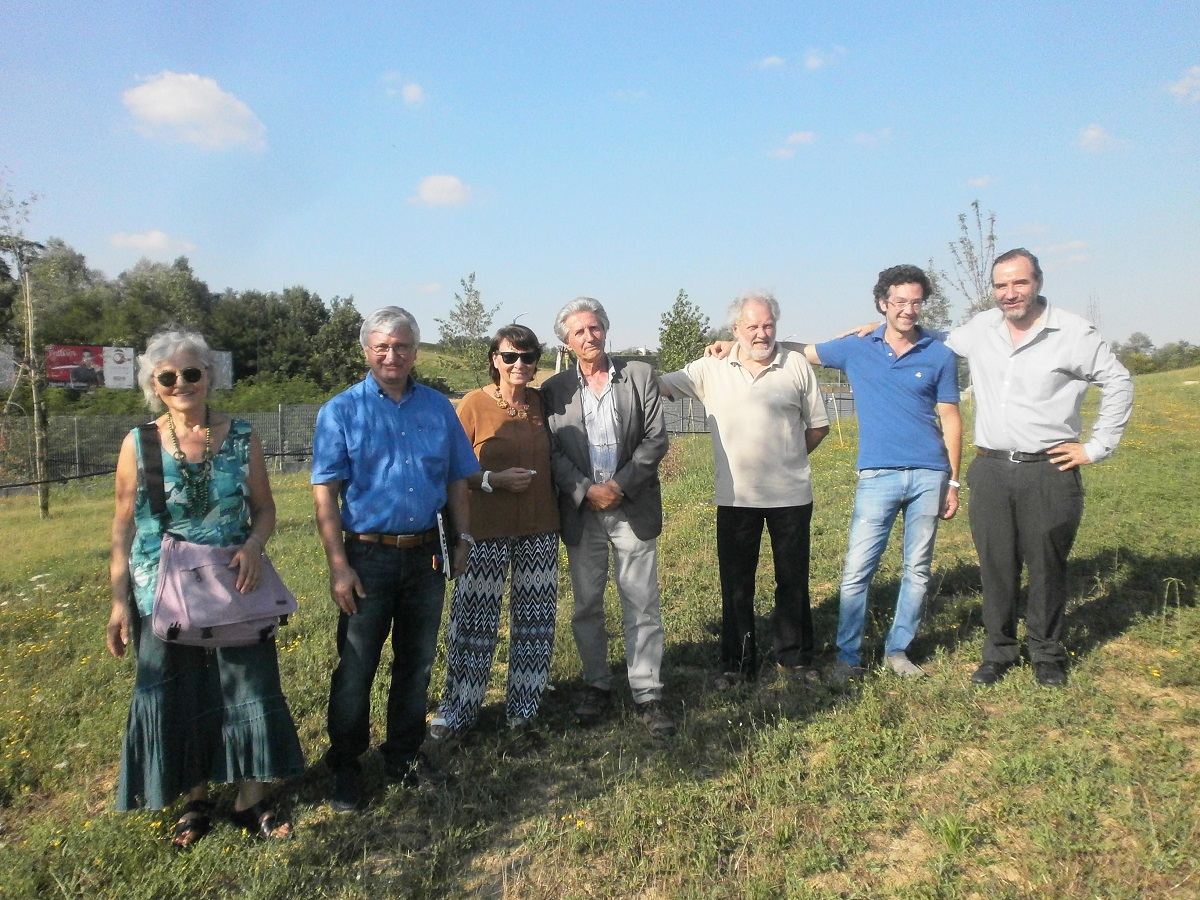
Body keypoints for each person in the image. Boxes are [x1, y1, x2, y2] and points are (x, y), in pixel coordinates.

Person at [107, 326, 303, 848]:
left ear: (208, 377)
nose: (181, 384)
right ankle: (194, 800)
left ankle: (251, 797)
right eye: (167, 377)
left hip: (234, 583)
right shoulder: (139, 443)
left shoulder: (242, 436)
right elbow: (123, 525)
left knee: (248, 686)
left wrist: (255, 546)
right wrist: (118, 601)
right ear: (154, 384)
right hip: (161, 590)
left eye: (191, 373)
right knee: (181, 690)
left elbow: (264, 508)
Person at [311, 307, 478, 811]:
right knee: (357, 664)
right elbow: (326, 493)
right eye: (382, 346)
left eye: (402, 346)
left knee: (417, 662)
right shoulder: (341, 411)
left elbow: (455, 477)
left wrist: (464, 537)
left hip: (426, 553)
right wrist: (339, 564)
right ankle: (345, 765)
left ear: (414, 351)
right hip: (367, 556)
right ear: (366, 351)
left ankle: (404, 754)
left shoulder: (437, 408)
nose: (392, 355)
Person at [948, 248, 1133, 687]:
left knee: (1046, 564)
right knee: (996, 564)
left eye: (1019, 283)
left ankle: (1046, 654)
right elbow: (930, 339)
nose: (1010, 293)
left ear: (1039, 282)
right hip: (990, 468)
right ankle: (998, 652)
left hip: (1048, 470)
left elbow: (1118, 381)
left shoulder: (1072, 332)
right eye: (1001, 285)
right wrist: (880, 329)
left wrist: (1097, 446)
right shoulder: (981, 329)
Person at [661, 292, 829, 687]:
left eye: (768, 325)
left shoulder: (797, 366)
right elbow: (658, 387)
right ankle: (736, 664)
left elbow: (818, 426)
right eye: (752, 326)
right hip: (736, 498)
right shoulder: (709, 369)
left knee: (793, 579)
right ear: (735, 329)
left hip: (791, 496)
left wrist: (787, 454)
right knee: (736, 583)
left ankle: (797, 659)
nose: (761, 333)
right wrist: (616, 370)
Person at [809, 265, 961, 683]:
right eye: (899, 302)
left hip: (930, 474)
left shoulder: (939, 352)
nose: (908, 309)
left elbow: (950, 419)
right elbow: (796, 352)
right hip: (878, 476)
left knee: (917, 569)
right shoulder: (857, 348)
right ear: (882, 303)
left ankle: (898, 650)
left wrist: (953, 480)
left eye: (915, 301)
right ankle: (848, 656)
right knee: (858, 570)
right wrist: (733, 346)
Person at [541, 298, 675, 736]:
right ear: (566, 341)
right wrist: (585, 490)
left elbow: (655, 439)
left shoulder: (638, 375)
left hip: (630, 506)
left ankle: (648, 690)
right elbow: (552, 451)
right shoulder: (554, 389)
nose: (589, 336)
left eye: (595, 327)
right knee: (586, 605)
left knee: (641, 602)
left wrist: (618, 486)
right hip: (583, 513)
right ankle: (596, 684)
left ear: (606, 329)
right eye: (578, 331)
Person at [429, 324, 560, 740]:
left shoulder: (542, 403)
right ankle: (458, 711)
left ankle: (523, 708)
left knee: (535, 622)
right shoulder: (472, 405)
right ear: (494, 360)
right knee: (473, 622)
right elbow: (452, 471)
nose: (519, 364)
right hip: (484, 531)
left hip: (539, 528)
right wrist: (493, 480)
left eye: (528, 356)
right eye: (510, 356)